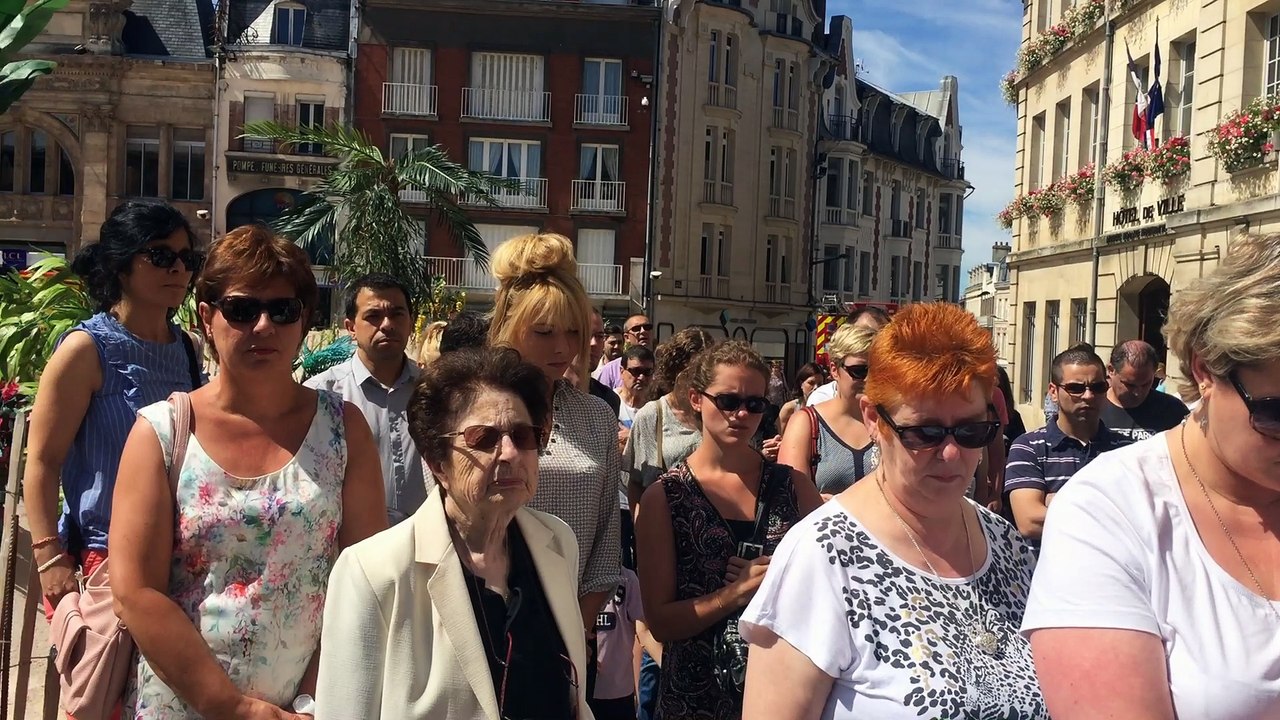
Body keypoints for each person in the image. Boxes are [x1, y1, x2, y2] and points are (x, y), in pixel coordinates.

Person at [109, 225, 388, 718]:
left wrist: (310, 700)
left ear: (303, 321)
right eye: (242, 309)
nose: (263, 327)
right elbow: (137, 592)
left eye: (282, 310)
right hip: (183, 704)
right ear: (206, 317)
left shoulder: (344, 430)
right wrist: (235, 709)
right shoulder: (162, 432)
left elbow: (364, 579)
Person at [740, 302, 1048, 720]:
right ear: (874, 418)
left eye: (972, 430)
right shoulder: (822, 557)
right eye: (925, 432)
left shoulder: (1006, 545)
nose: (953, 453)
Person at [1022, 233, 1280, 719]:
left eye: (1098, 387)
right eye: (1276, 414)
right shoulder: (1108, 509)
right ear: (1205, 370)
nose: (1090, 397)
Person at [314, 347, 593, 719]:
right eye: (484, 438)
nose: (509, 453)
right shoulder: (373, 572)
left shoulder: (557, 542)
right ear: (437, 461)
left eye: (524, 435)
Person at [23, 200, 203, 618]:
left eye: (186, 258)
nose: (178, 269)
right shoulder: (86, 350)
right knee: (101, 684)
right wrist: (50, 560)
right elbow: (43, 461)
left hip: (180, 559)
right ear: (122, 265)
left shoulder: (188, 351)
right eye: (160, 256)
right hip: (103, 562)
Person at [635, 340, 822, 720]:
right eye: (728, 401)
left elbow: (833, 579)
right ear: (696, 399)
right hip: (694, 696)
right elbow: (661, 621)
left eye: (755, 404)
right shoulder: (666, 497)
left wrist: (779, 577)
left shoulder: (794, 486)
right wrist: (736, 593)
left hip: (779, 691)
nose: (741, 413)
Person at [486, 232, 622, 634]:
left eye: (574, 332)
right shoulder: (464, 412)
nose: (563, 348)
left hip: (573, 631)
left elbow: (606, 548)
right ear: (509, 326)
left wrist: (571, 637)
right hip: (479, 622)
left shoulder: (596, 415)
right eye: (544, 333)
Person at [622, 326, 714, 720]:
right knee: (656, 643)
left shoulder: (715, 411)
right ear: (677, 370)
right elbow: (635, 486)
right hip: (664, 544)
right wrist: (646, 542)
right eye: (696, 371)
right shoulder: (652, 416)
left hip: (709, 546)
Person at [306, 273, 426, 525]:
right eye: (373, 316)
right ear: (350, 327)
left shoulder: (436, 390)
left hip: (425, 542)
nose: (387, 324)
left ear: (411, 322)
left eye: (397, 314)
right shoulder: (321, 396)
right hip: (352, 544)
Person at [1004, 345, 1123, 547]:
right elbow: (1030, 522)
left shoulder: (1126, 449)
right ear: (1053, 392)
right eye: (1076, 388)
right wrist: (1109, 513)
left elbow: (1142, 519)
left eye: (1097, 387)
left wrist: (1058, 500)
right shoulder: (1029, 447)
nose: (1088, 396)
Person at [779, 323, 879, 499]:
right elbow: (792, 497)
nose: (869, 379)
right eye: (859, 371)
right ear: (834, 370)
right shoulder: (806, 423)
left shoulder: (894, 422)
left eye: (877, 370)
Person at [1100, 340, 1189, 444]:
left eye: (1145, 384)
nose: (1138, 392)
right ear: (1111, 370)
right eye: (1130, 385)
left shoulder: (1172, 409)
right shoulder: (1093, 408)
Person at [591, 566, 645, 720]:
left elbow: (640, 633)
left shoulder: (627, 579)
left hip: (619, 692)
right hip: (583, 690)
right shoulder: (573, 575)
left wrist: (638, 691)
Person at [806, 306, 890, 406]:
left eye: (882, 337)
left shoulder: (899, 401)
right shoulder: (821, 401)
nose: (868, 378)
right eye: (859, 370)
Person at [595, 314, 654, 389]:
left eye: (647, 328)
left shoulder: (662, 366)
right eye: (636, 328)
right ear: (626, 337)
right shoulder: (610, 370)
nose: (643, 331)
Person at [582, 309, 622, 415]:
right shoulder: (547, 395)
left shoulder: (609, 400)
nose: (594, 343)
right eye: (586, 335)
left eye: (599, 336)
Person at [777, 363, 824, 434]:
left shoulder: (826, 408)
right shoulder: (789, 408)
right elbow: (780, 436)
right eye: (811, 383)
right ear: (801, 384)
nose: (816, 387)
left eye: (820, 384)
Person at [617, 345, 657, 429]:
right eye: (636, 371)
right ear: (622, 372)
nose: (641, 377)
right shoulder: (610, 402)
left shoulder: (657, 409)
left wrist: (630, 437)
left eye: (647, 372)